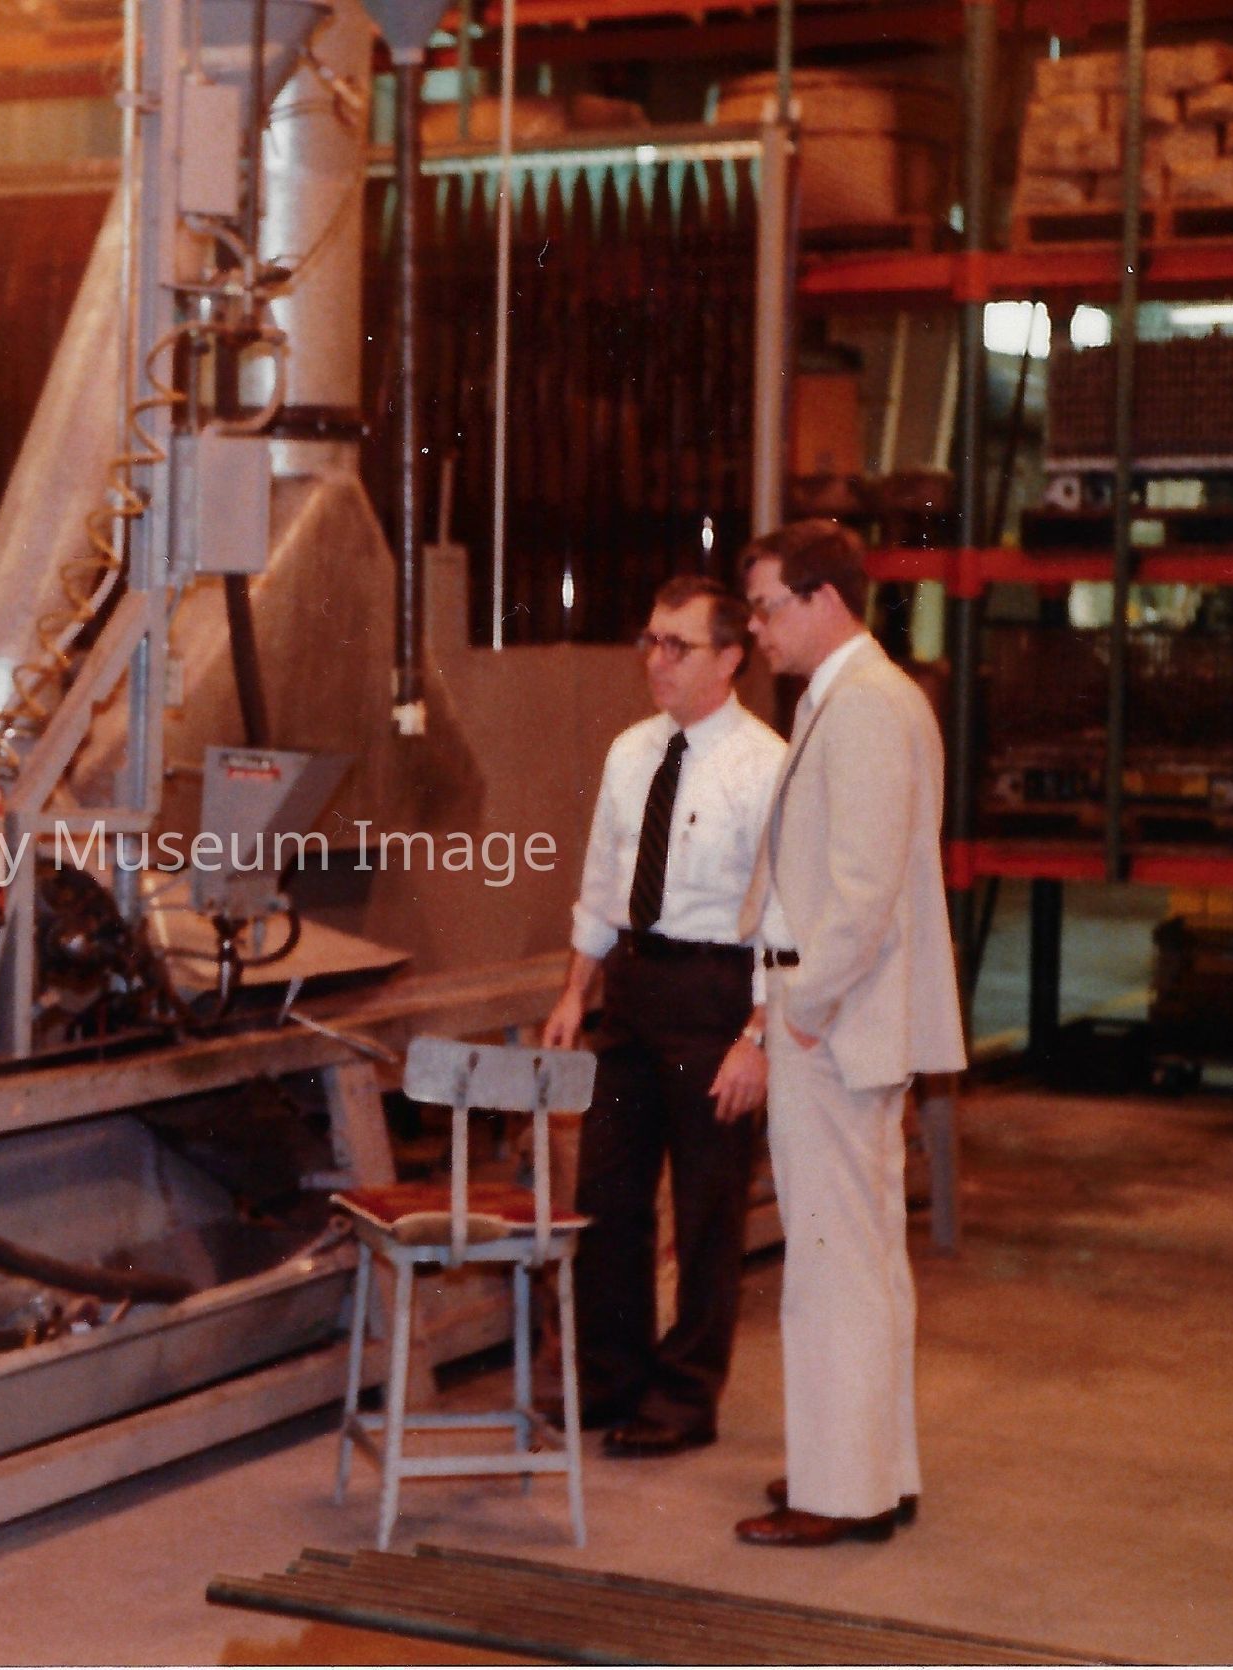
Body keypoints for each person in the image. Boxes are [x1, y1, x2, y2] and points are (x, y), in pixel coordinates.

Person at [731, 519, 966, 1548]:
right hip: (844, 1023)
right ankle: (869, 1470)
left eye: (766, 608)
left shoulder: (864, 704)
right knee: (861, 1261)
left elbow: (860, 891)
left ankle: (839, 1493)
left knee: (833, 1265)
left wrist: (804, 1008)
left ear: (822, 598)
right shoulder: (858, 696)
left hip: (832, 1025)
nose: (756, 629)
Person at [541, 574, 786, 1458]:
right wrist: (575, 990)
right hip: (633, 987)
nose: (656, 659)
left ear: (729, 659)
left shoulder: (765, 766)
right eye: (650, 640)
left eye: (677, 646)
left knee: (706, 1208)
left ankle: (684, 1398)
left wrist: (754, 1037)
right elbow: (602, 881)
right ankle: (610, 1378)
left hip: (714, 996)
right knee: (606, 1196)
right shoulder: (630, 752)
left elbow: (782, 911)